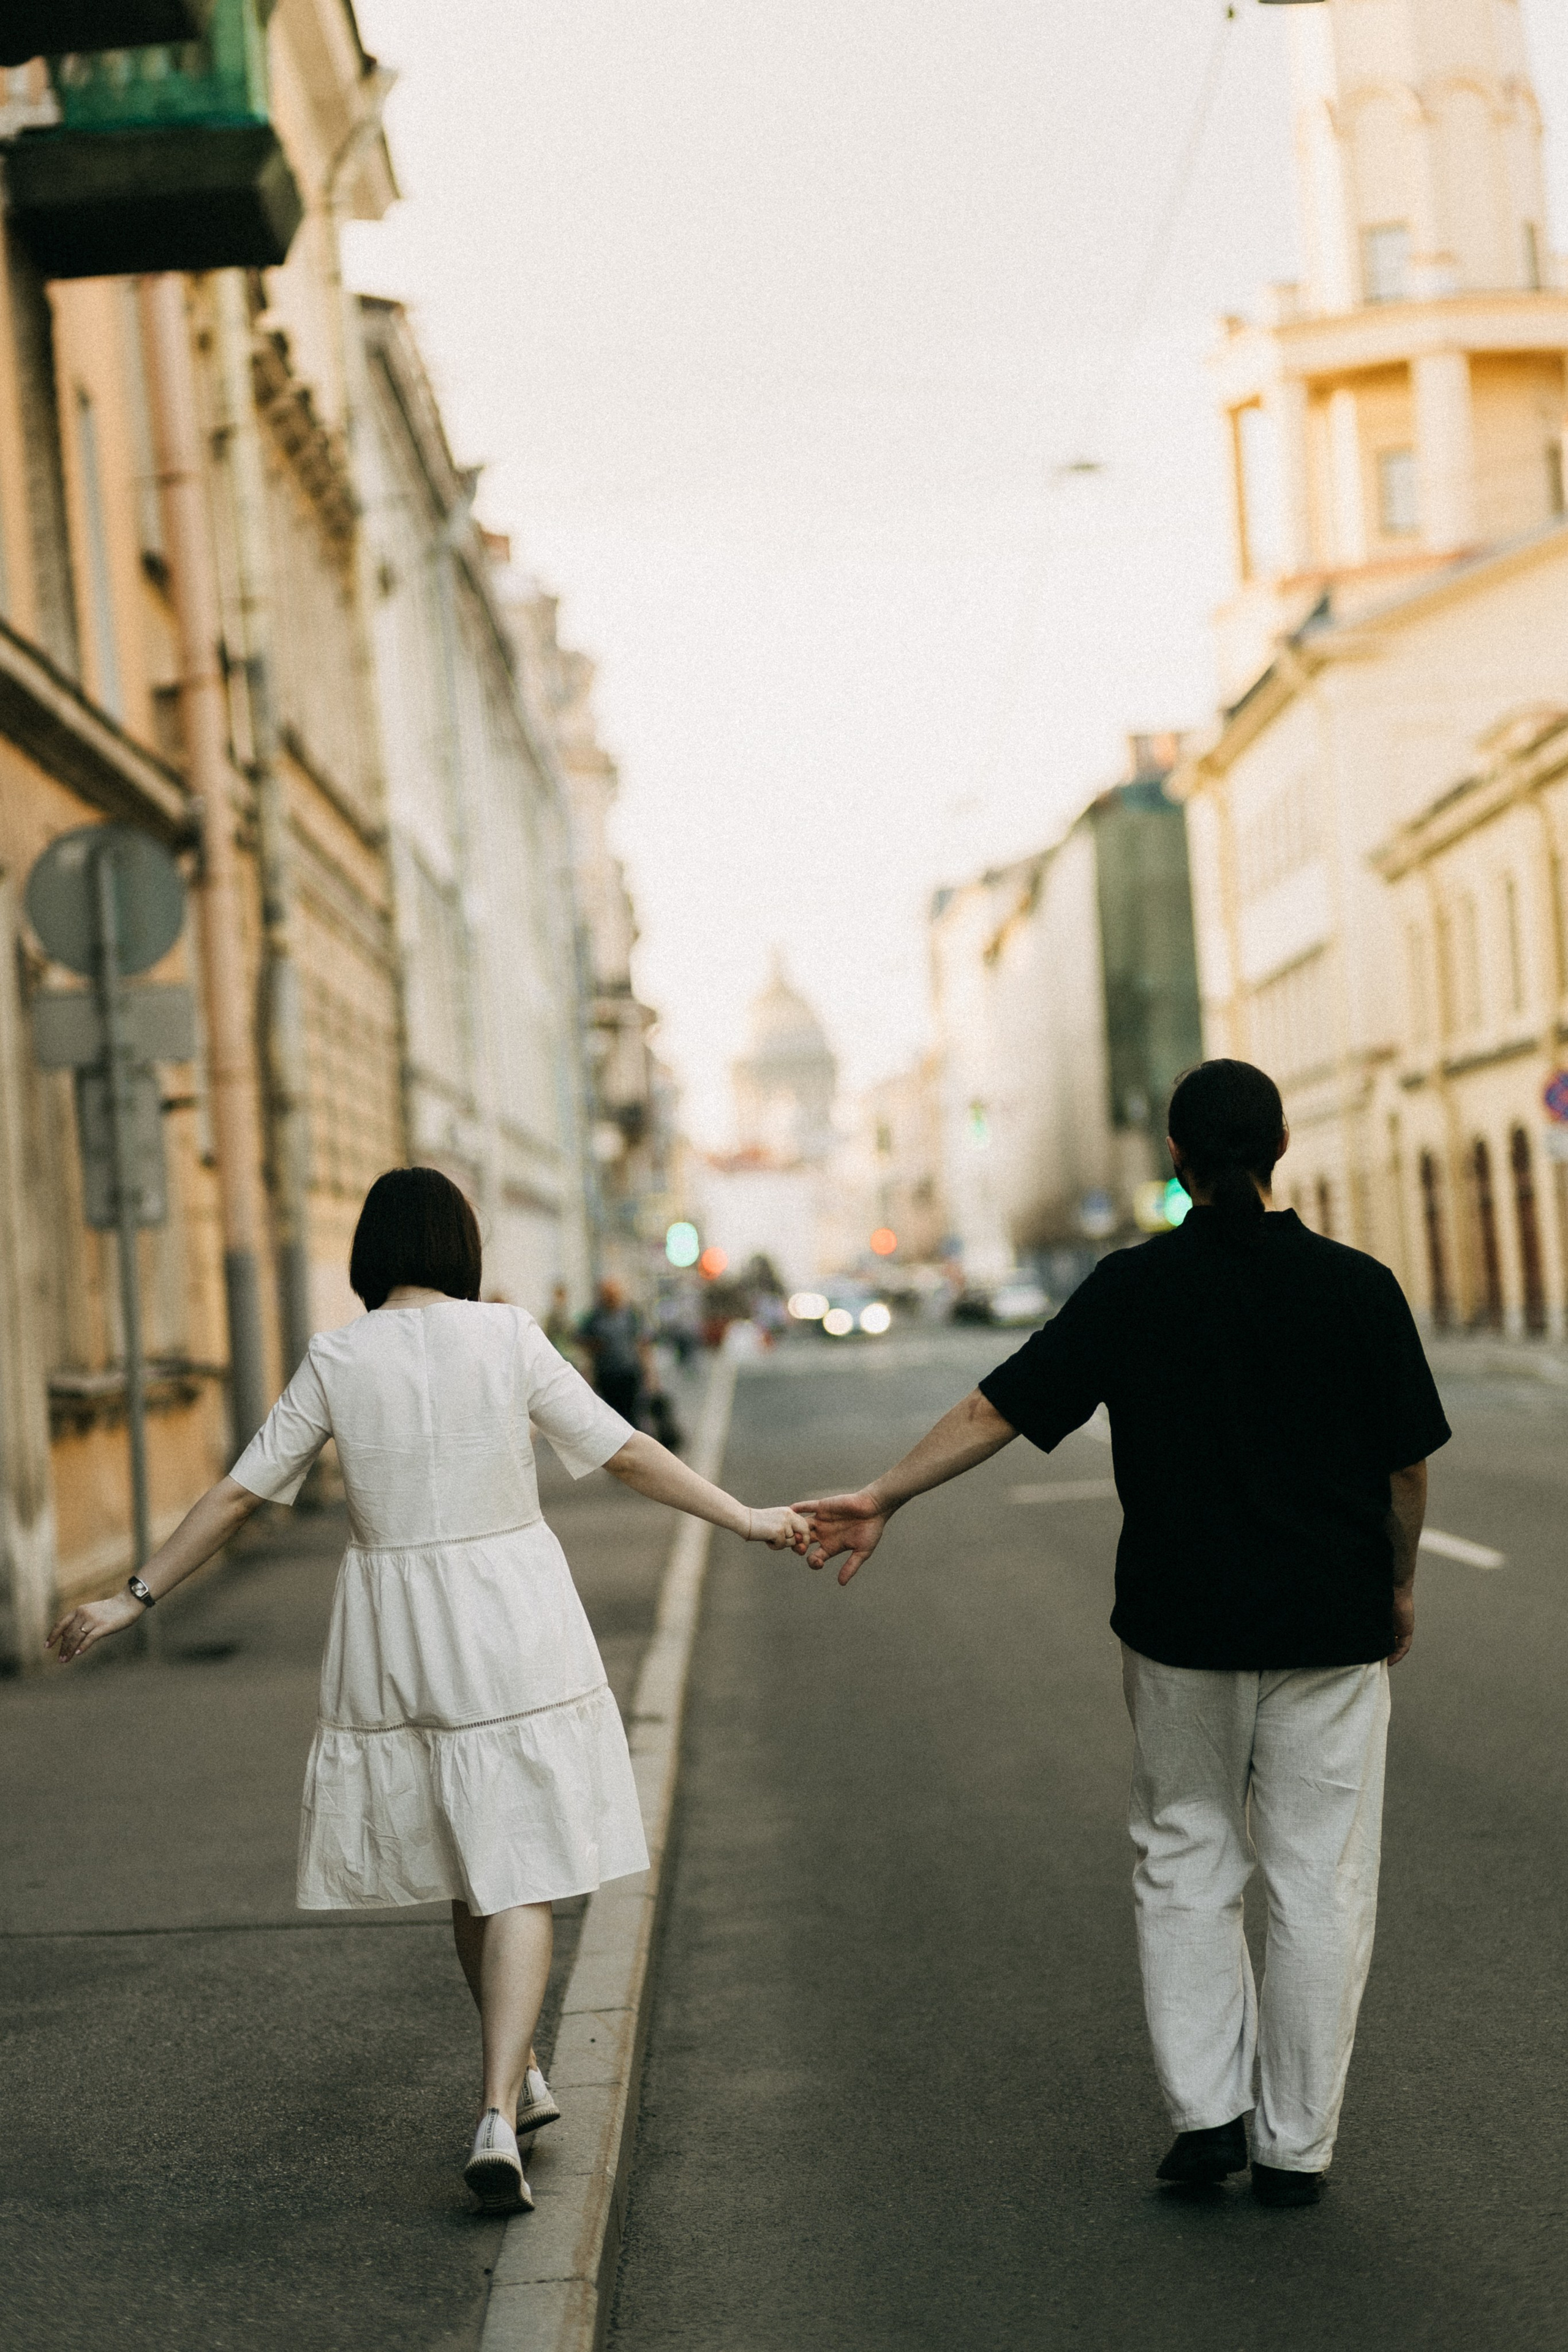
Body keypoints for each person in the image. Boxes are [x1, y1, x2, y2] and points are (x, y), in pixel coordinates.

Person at [48, 1167, 809, 2212]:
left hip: (394, 1627)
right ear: (461, 1247)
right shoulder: (507, 1338)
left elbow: (237, 1492)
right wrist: (749, 1516)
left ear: (370, 1252)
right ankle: (498, 2107)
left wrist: (133, 1597)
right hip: (513, 1614)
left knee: (468, 1861)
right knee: (523, 1870)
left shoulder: (338, 1357)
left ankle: (517, 2073)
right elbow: (625, 1452)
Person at [799, 1060, 1449, 2208]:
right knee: (1318, 1880)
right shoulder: (1359, 1287)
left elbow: (1001, 1406)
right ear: (1282, 1148)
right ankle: (1297, 2146)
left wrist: (886, 1493)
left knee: (1186, 1857)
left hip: (1178, 1625)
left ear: (1176, 1159)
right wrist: (1396, 1587)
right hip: (1328, 1628)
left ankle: (1208, 2114)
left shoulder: (1134, 1289)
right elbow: (1404, 1466)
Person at [578, 1275, 649, 1427]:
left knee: (631, 1414)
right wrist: (594, 1345)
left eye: (614, 1295)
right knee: (611, 1414)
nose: (611, 1298)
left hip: (629, 1372)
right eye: (608, 1295)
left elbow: (642, 1342)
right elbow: (580, 1338)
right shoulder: (594, 1317)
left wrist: (649, 1371)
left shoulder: (631, 1314)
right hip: (606, 1373)